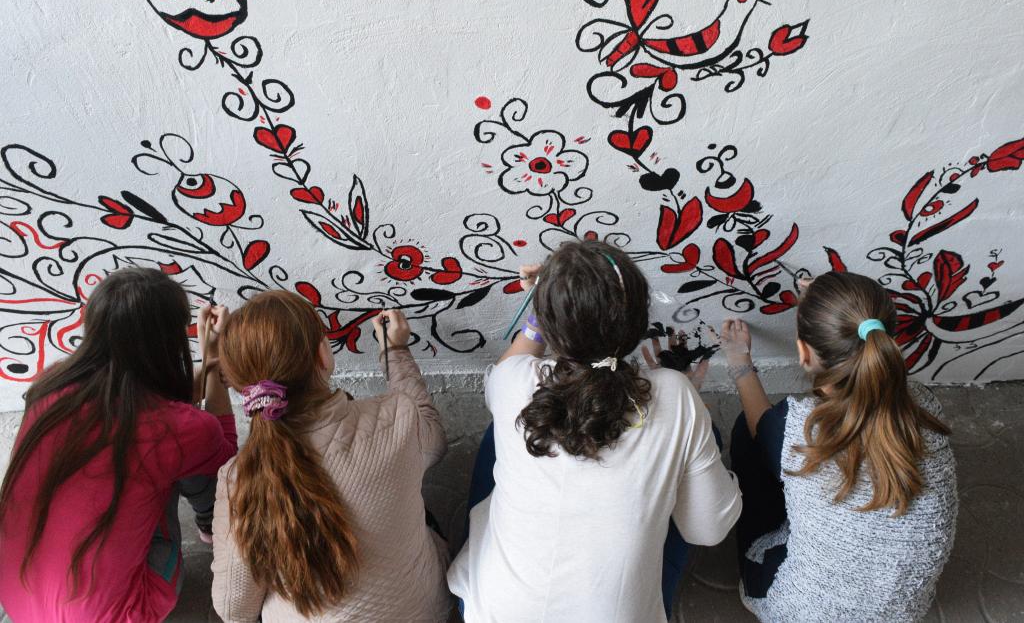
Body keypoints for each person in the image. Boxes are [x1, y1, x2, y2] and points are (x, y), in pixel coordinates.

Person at [448, 240, 742, 622]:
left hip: (491, 612)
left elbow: (508, 370)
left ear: (549, 328)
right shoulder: (675, 394)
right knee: (702, 440)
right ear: (638, 323)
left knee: (507, 425)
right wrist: (687, 413)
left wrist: (544, 311)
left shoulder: (513, 383)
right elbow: (708, 530)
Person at [0, 267, 237, 622]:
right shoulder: (171, 427)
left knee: (164, 451)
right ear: (166, 342)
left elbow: (153, 398)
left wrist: (207, 364)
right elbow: (225, 456)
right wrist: (213, 360)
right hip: (120, 614)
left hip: (17, 600)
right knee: (188, 454)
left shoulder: (51, 386)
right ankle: (209, 523)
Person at [725, 271, 958, 621]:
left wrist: (740, 363)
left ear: (804, 354)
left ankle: (754, 580)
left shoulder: (800, 430)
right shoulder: (924, 406)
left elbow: (760, 424)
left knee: (748, 434)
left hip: (798, 611)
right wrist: (833, 305)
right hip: (899, 613)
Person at [210, 291, 451, 622]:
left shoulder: (239, 480)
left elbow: (234, 610)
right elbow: (434, 443)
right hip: (425, 612)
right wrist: (394, 351)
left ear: (241, 385)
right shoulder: (399, 417)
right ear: (323, 356)